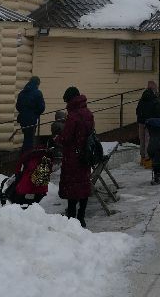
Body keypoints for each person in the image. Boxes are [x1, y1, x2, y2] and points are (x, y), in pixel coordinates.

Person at [57, 86, 95, 228]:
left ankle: (72, 217)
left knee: (72, 186)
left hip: (73, 156)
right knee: (83, 184)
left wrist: (57, 139)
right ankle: (81, 216)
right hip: (86, 155)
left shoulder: (73, 116)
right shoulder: (88, 113)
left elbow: (66, 137)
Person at [15, 76, 45, 152]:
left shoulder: (22, 93)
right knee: (29, 140)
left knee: (26, 138)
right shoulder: (37, 93)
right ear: (37, 83)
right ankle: (26, 157)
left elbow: (18, 106)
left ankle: (25, 156)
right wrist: (35, 113)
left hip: (23, 119)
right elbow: (41, 108)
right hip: (32, 119)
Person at [135, 80, 160, 168]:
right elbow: (157, 112)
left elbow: (137, 110)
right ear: (154, 88)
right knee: (148, 141)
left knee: (142, 140)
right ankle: (148, 160)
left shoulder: (142, 98)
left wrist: (141, 118)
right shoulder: (154, 99)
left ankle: (142, 159)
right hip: (150, 122)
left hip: (141, 122)